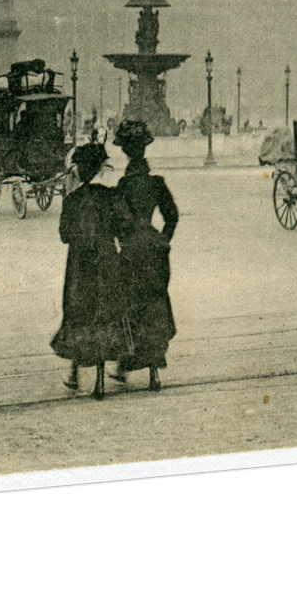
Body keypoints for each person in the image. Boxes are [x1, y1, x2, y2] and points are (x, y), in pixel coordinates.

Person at [52, 141, 133, 399]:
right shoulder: (111, 197)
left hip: (79, 266)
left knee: (80, 315)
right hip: (107, 262)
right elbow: (124, 229)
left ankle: (75, 372)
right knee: (105, 313)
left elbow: (64, 235)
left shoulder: (72, 200)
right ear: (99, 168)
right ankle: (100, 379)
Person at [110, 120, 178, 391]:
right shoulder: (156, 183)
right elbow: (172, 216)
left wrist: (123, 242)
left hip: (132, 250)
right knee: (154, 304)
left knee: (130, 304)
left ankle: (126, 362)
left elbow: (116, 222)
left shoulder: (123, 186)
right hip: (154, 248)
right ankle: (153, 370)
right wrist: (162, 240)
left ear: (126, 152)